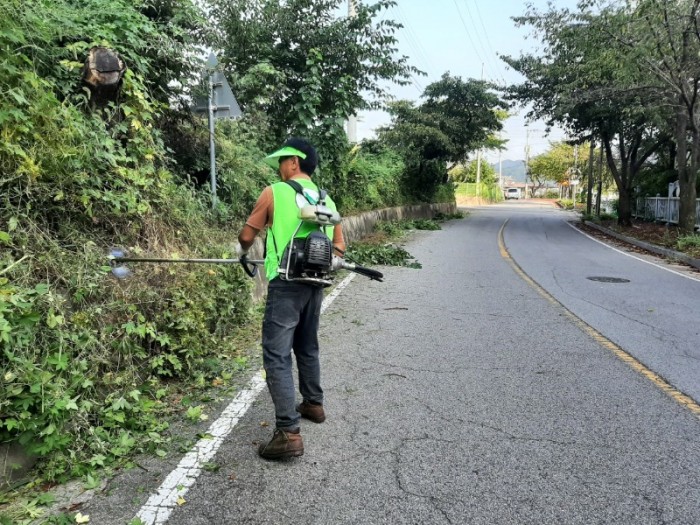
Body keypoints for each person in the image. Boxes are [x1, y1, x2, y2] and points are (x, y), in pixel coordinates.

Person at [236, 137, 345, 460]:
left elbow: (246, 236)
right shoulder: (327, 200)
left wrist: (243, 252)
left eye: (283, 160)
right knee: (307, 345)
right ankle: (313, 403)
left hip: (285, 284)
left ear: (294, 162)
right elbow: (339, 248)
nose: (280, 167)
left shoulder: (276, 192)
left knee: (277, 354)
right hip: (315, 283)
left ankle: (287, 432)